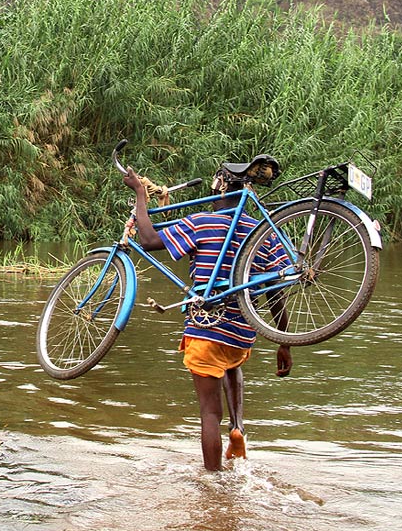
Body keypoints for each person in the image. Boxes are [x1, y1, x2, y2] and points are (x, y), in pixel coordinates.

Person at [123, 161, 292, 471]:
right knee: (231, 365)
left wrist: (140, 194)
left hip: (206, 328)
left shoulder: (203, 222)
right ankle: (238, 427)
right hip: (242, 332)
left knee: (209, 412)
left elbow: (147, 240)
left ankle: (212, 486)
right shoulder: (262, 233)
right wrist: (284, 342)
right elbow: (275, 293)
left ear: (219, 188)